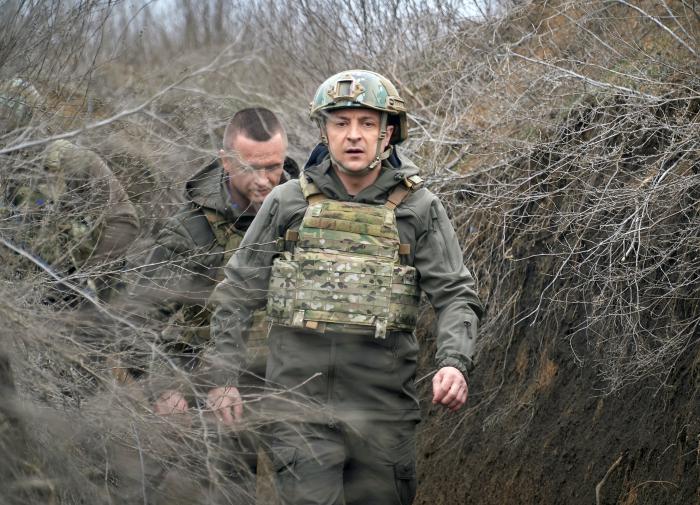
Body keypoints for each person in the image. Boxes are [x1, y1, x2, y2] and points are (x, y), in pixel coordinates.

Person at [206, 70, 484, 504]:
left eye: (367, 123)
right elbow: (238, 290)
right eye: (341, 123)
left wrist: (453, 361)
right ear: (325, 131)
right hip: (300, 410)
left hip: (383, 414)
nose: (353, 135)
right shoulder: (288, 203)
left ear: (386, 134)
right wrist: (223, 376)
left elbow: (455, 295)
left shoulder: (418, 209)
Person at [130, 107, 298, 504]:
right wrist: (164, 388)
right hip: (211, 383)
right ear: (226, 161)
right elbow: (138, 316)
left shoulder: (304, 212)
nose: (263, 180)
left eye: (273, 167)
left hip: (291, 376)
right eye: (250, 168)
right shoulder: (191, 231)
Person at [0, 79, 140, 304]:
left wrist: (88, 278)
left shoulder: (75, 161)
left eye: (7, 117)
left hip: (80, 290)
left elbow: (124, 220)